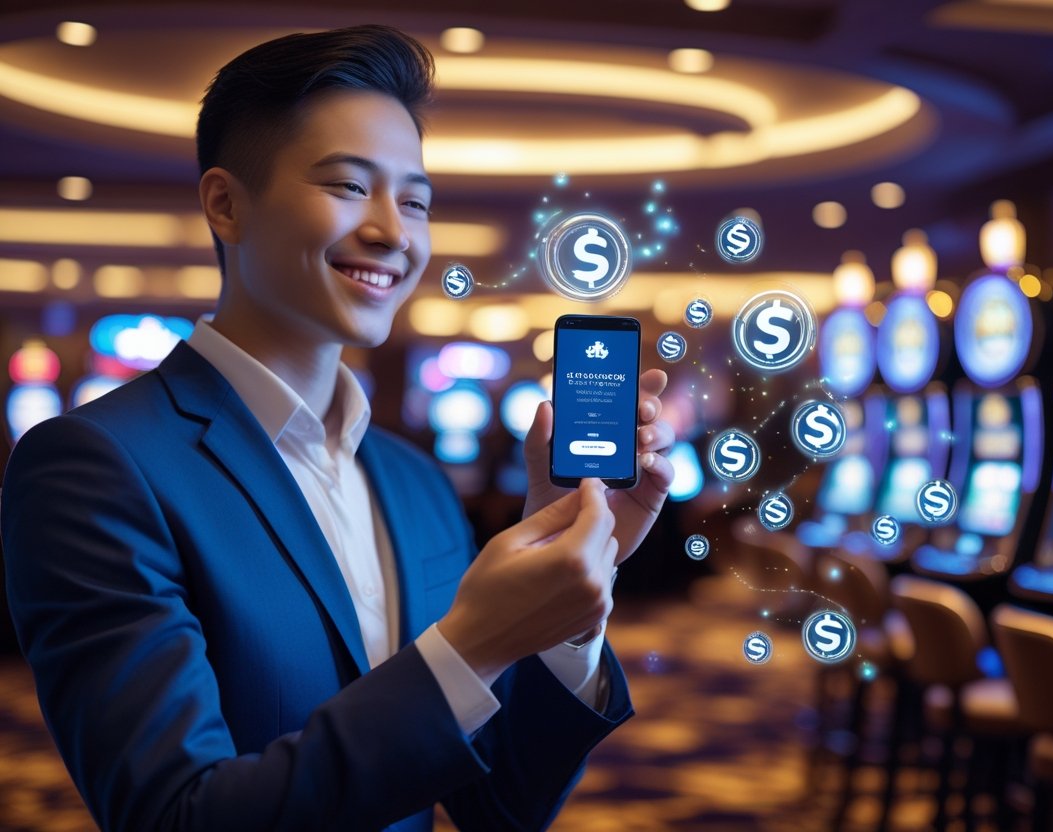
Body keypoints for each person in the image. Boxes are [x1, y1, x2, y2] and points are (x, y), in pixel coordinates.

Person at [1, 24, 674, 832]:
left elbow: (501, 805)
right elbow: (175, 817)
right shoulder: (95, 465)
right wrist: (468, 647)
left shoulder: (413, 480)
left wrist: (566, 592)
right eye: (351, 187)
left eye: (417, 200)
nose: (394, 232)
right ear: (225, 204)